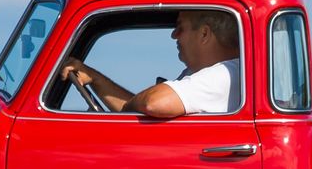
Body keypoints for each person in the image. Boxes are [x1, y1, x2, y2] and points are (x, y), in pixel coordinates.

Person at [58, 8, 241, 116]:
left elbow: (152, 103)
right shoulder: (200, 75)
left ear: (204, 34)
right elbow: (137, 109)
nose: (173, 35)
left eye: (180, 27)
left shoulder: (226, 74)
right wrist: (95, 78)